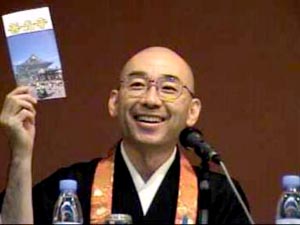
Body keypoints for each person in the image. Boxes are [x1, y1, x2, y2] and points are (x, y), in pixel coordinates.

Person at [0, 46, 250, 224]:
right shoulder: (69, 189)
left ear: (192, 111)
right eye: (137, 85)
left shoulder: (219, 196)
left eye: (169, 88)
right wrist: (21, 154)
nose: (151, 100)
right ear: (114, 102)